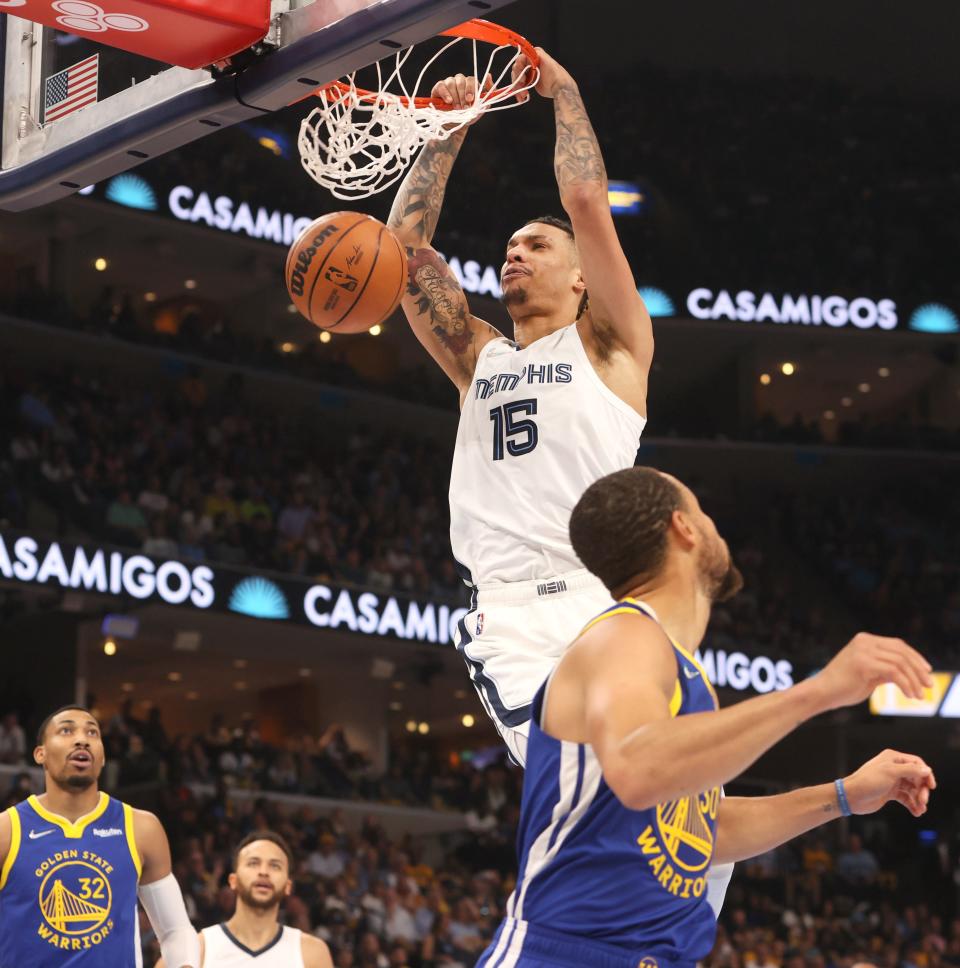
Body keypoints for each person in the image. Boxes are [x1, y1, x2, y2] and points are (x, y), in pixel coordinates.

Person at [476, 466, 936, 967]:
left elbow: (701, 832)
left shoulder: (685, 677)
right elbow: (638, 769)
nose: (715, 526)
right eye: (704, 513)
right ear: (685, 528)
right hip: (571, 954)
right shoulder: (625, 637)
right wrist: (821, 691)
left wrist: (843, 796)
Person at [386, 52, 650, 759]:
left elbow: (587, 201)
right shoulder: (479, 357)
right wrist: (447, 128)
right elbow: (402, 253)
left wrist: (563, 89)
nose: (516, 254)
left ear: (581, 275)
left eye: (536, 245)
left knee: (664, 798)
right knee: (572, 774)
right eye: (509, 247)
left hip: (603, 595)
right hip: (510, 612)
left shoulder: (612, 347)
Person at [0, 705, 199, 967]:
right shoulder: (6, 829)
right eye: (66, 730)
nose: (82, 739)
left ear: (103, 757)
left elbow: (176, 931)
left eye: (92, 733)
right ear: (41, 754)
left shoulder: (141, 827)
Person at [158, 830, 332, 967]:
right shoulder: (197, 950)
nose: (263, 872)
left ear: (288, 886)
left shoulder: (311, 953)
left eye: (275, 865)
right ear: (233, 881)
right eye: (253, 863)